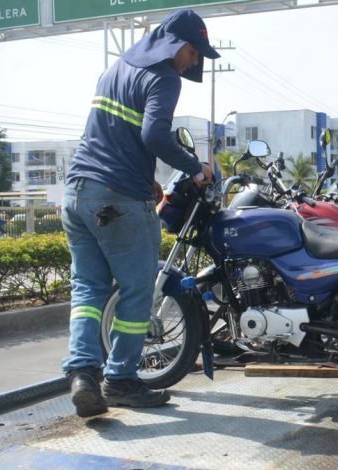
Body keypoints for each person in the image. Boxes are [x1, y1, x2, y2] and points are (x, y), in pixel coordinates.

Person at [61, 9, 217, 418]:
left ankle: (82, 374)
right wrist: (195, 167)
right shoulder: (163, 77)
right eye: (193, 52)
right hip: (119, 200)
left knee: (88, 289)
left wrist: (144, 177)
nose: (193, 62)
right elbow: (154, 135)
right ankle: (120, 379)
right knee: (137, 289)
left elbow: (111, 136)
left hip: (77, 193)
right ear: (176, 45)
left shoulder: (114, 70)